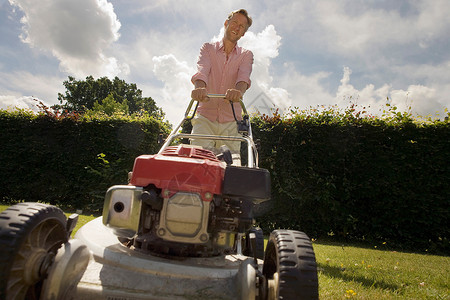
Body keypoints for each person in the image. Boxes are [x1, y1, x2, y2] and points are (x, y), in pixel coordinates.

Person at [190, 9, 253, 164]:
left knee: (231, 169)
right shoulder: (208, 49)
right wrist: (199, 88)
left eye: (242, 27)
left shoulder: (246, 55)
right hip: (205, 117)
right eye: (234, 23)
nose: (237, 28)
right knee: (198, 163)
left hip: (231, 122)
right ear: (226, 23)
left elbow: (243, 78)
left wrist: (238, 92)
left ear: (243, 33)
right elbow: (202, 71)